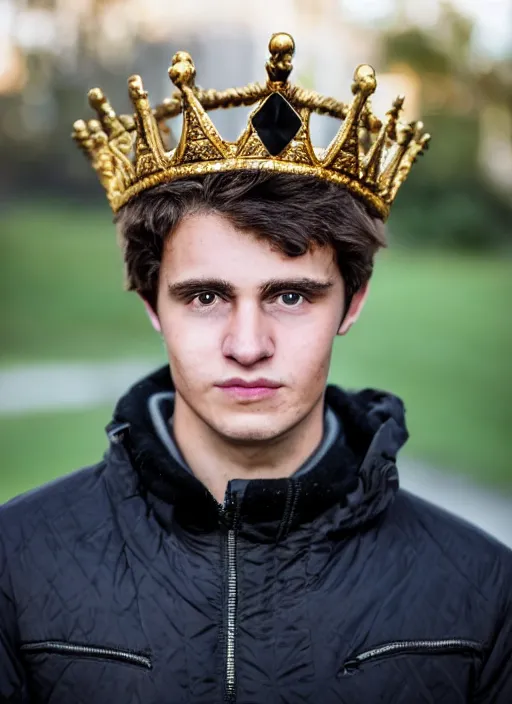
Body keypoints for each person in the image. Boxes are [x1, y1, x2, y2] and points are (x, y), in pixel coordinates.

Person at [0, 32, 510, 704]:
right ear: (153, 302)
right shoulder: (14, 563)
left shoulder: (482, 592)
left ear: (352, 302)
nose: (248, 344)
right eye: (206, 296)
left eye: (290, 295)